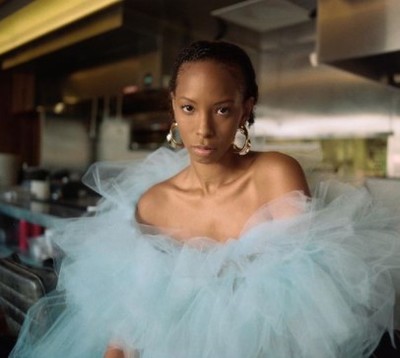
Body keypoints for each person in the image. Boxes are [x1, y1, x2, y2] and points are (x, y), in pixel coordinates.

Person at [10, 41, 400, 358]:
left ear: (247, 109)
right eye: (189, 108)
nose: (204, 130)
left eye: (223, 110)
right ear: (173, 108)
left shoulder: (276, 176)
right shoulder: (153, 204)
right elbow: (127, 325)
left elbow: (305, 317)